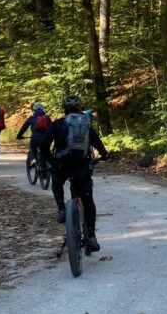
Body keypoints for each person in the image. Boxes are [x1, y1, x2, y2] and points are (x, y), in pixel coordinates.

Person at [43, 95, 108, 252]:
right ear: (80, 107)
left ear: (64, 108)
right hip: (81, 168)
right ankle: (91, 237)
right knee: (88, 201)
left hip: (62, 166)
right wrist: (105, 155)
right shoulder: (86, 123)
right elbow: (97, 143)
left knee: (56, 181)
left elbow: (43, 145)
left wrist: (53, 162)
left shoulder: (58, 123)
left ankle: (61, 209)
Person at [16, 101, 53, 173]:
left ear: (34, 110)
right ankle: (45, 171)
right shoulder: (47, 118)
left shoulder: (31, 118)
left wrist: (19, 136)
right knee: (44, 152)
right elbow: (52, 128)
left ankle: (33, 160)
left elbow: (24, 127)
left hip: (35, 138)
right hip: (45, 139)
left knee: (32, 148)